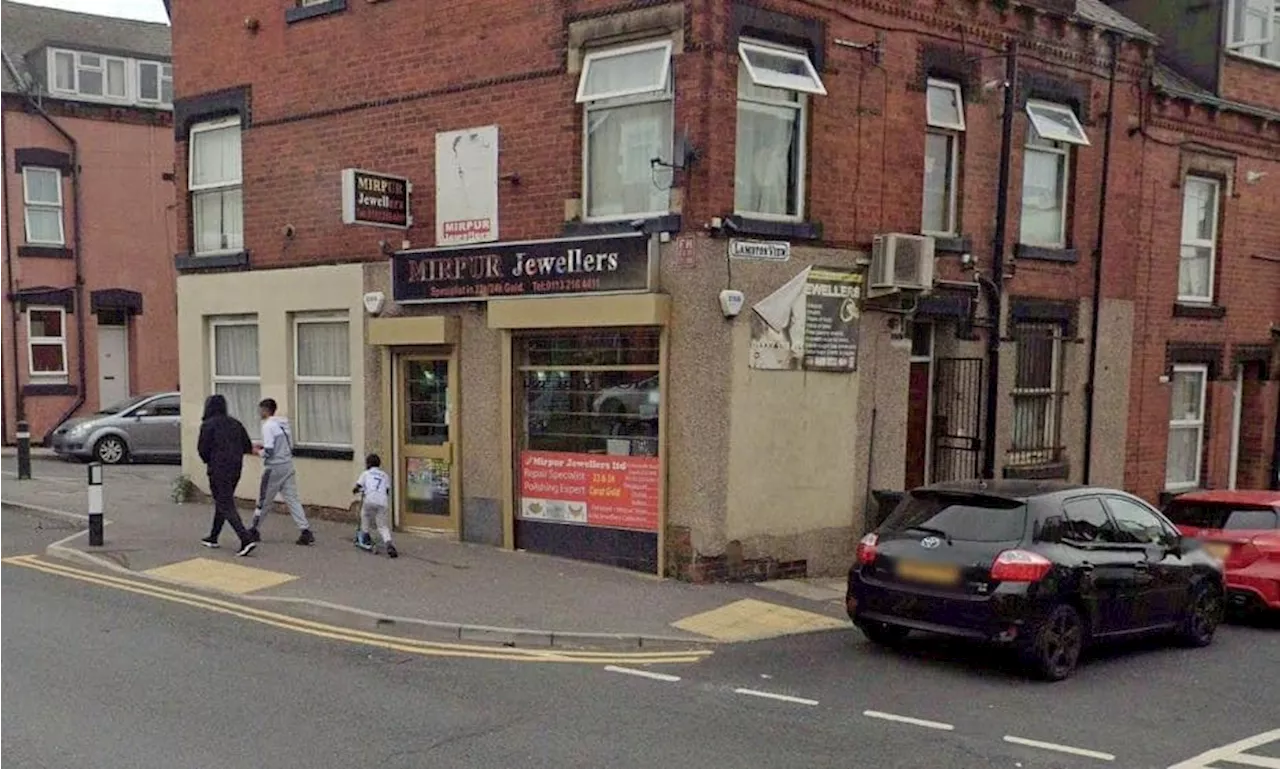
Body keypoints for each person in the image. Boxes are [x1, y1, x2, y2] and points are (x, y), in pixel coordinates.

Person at [196, 394, 258, 556]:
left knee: (225, 503)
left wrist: (209, 460)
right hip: (236, 467)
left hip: (218, 468)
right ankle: (213, 536)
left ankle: (246, 539)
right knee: (223, 500)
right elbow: (247, 446)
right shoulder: (235, 423)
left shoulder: (208, 425)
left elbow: (202, 449)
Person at [248, 398, 315, 546]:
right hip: (287, 464)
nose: (259, 413)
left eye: (260, 410)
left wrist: (257, 452)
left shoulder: (268, 426)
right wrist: (263, 446)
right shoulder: (283, 424)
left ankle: (254, 529)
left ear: (265, 410)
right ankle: (305, 530)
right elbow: (283, 444)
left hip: (274, 467)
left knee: (264, 499)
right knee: (292, 499)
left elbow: (270, 450)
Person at [353, 453, 397, 559]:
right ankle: (389, 544)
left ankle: (366, 535)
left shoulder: (366, 474)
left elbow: (358, 487)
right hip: (382, 501)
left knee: (364, 515)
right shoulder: (385, 475)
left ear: (368, 464)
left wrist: (356, 490)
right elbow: (386, 490)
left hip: (370, 499)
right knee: (382, 525)